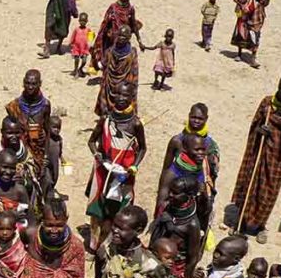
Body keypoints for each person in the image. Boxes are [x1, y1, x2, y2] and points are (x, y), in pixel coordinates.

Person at [231, 74, 281, 242]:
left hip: (276, 154)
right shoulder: (267, 102)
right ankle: (241, 223)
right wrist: (259, 131)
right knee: (251, 181)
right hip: (259, 149)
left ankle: (260, 225)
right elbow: (255, 123)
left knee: (268, 187)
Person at [85, 81, 146, 252]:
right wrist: (98, 156)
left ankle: (115, 247)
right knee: (99, 210)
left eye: (125, 95)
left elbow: (142, 148)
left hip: (124, 175)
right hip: (103, 171)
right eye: (117, 94)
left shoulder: (135, 124)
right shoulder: (106, 120)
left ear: (132, 98)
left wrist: (134, 166)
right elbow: (92, 141)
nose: (120, 98)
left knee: (121, 211)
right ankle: (94, 246)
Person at [4, 69, 52, 207]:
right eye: (27, 83)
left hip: (38, 153)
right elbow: (8, 131)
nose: (30, 87)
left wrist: (45, 158)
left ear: (40, 84)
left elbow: (48, 131)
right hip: (19, 152)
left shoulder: (45, 106)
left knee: (46, 181)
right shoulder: (14, 106)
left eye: (34, 84)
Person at [161, 103, 221, 203]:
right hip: (176, 180)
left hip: (198, 183)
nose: (196, 121)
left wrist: (208, 195)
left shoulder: (211, 146)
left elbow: (212, 174)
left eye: (200, 118)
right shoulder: (177, 141)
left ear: (206, 119)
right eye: (193, 117)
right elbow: (166, 168)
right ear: (189, 116)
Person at [91, 0, 143, 72]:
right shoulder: (113, 7)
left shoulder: (130, 9)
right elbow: (105, 23)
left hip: (124, 39)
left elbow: (133, 24)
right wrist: (107, 32)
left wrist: (139, 41)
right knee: (110, 57)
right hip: (112, 39)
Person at [231, 0, 274, 68]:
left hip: (257, 16)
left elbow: (266, 3)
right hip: (247, 14)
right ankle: (239, 53)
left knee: (256, 37)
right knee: (242, 33)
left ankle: (253, 58)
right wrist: (241, 5)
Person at [94, 24, 140, 117]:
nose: (120, 38)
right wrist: (95, 60)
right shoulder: (110, 51)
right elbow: (101, 65)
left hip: (123, 88)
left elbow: (134, 74)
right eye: (119, 35)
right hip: (109, 85)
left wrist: (130, 87)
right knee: (105, 109)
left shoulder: (131, 54)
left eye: (123, 36)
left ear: (129, 37)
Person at [69, 12, 92, 78]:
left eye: (84, 21)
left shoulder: (88, 30)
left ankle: (80, 68)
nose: (83, 22)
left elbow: (91, 38)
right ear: (79, 21)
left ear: (87, 21)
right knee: (76, 60)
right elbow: (73, 37)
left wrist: (91, 44)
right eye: (81, 21)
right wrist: (70, 43)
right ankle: (76, 71)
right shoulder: (76, 29)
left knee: (84, 61)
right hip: (76, 48)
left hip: (84, 48)